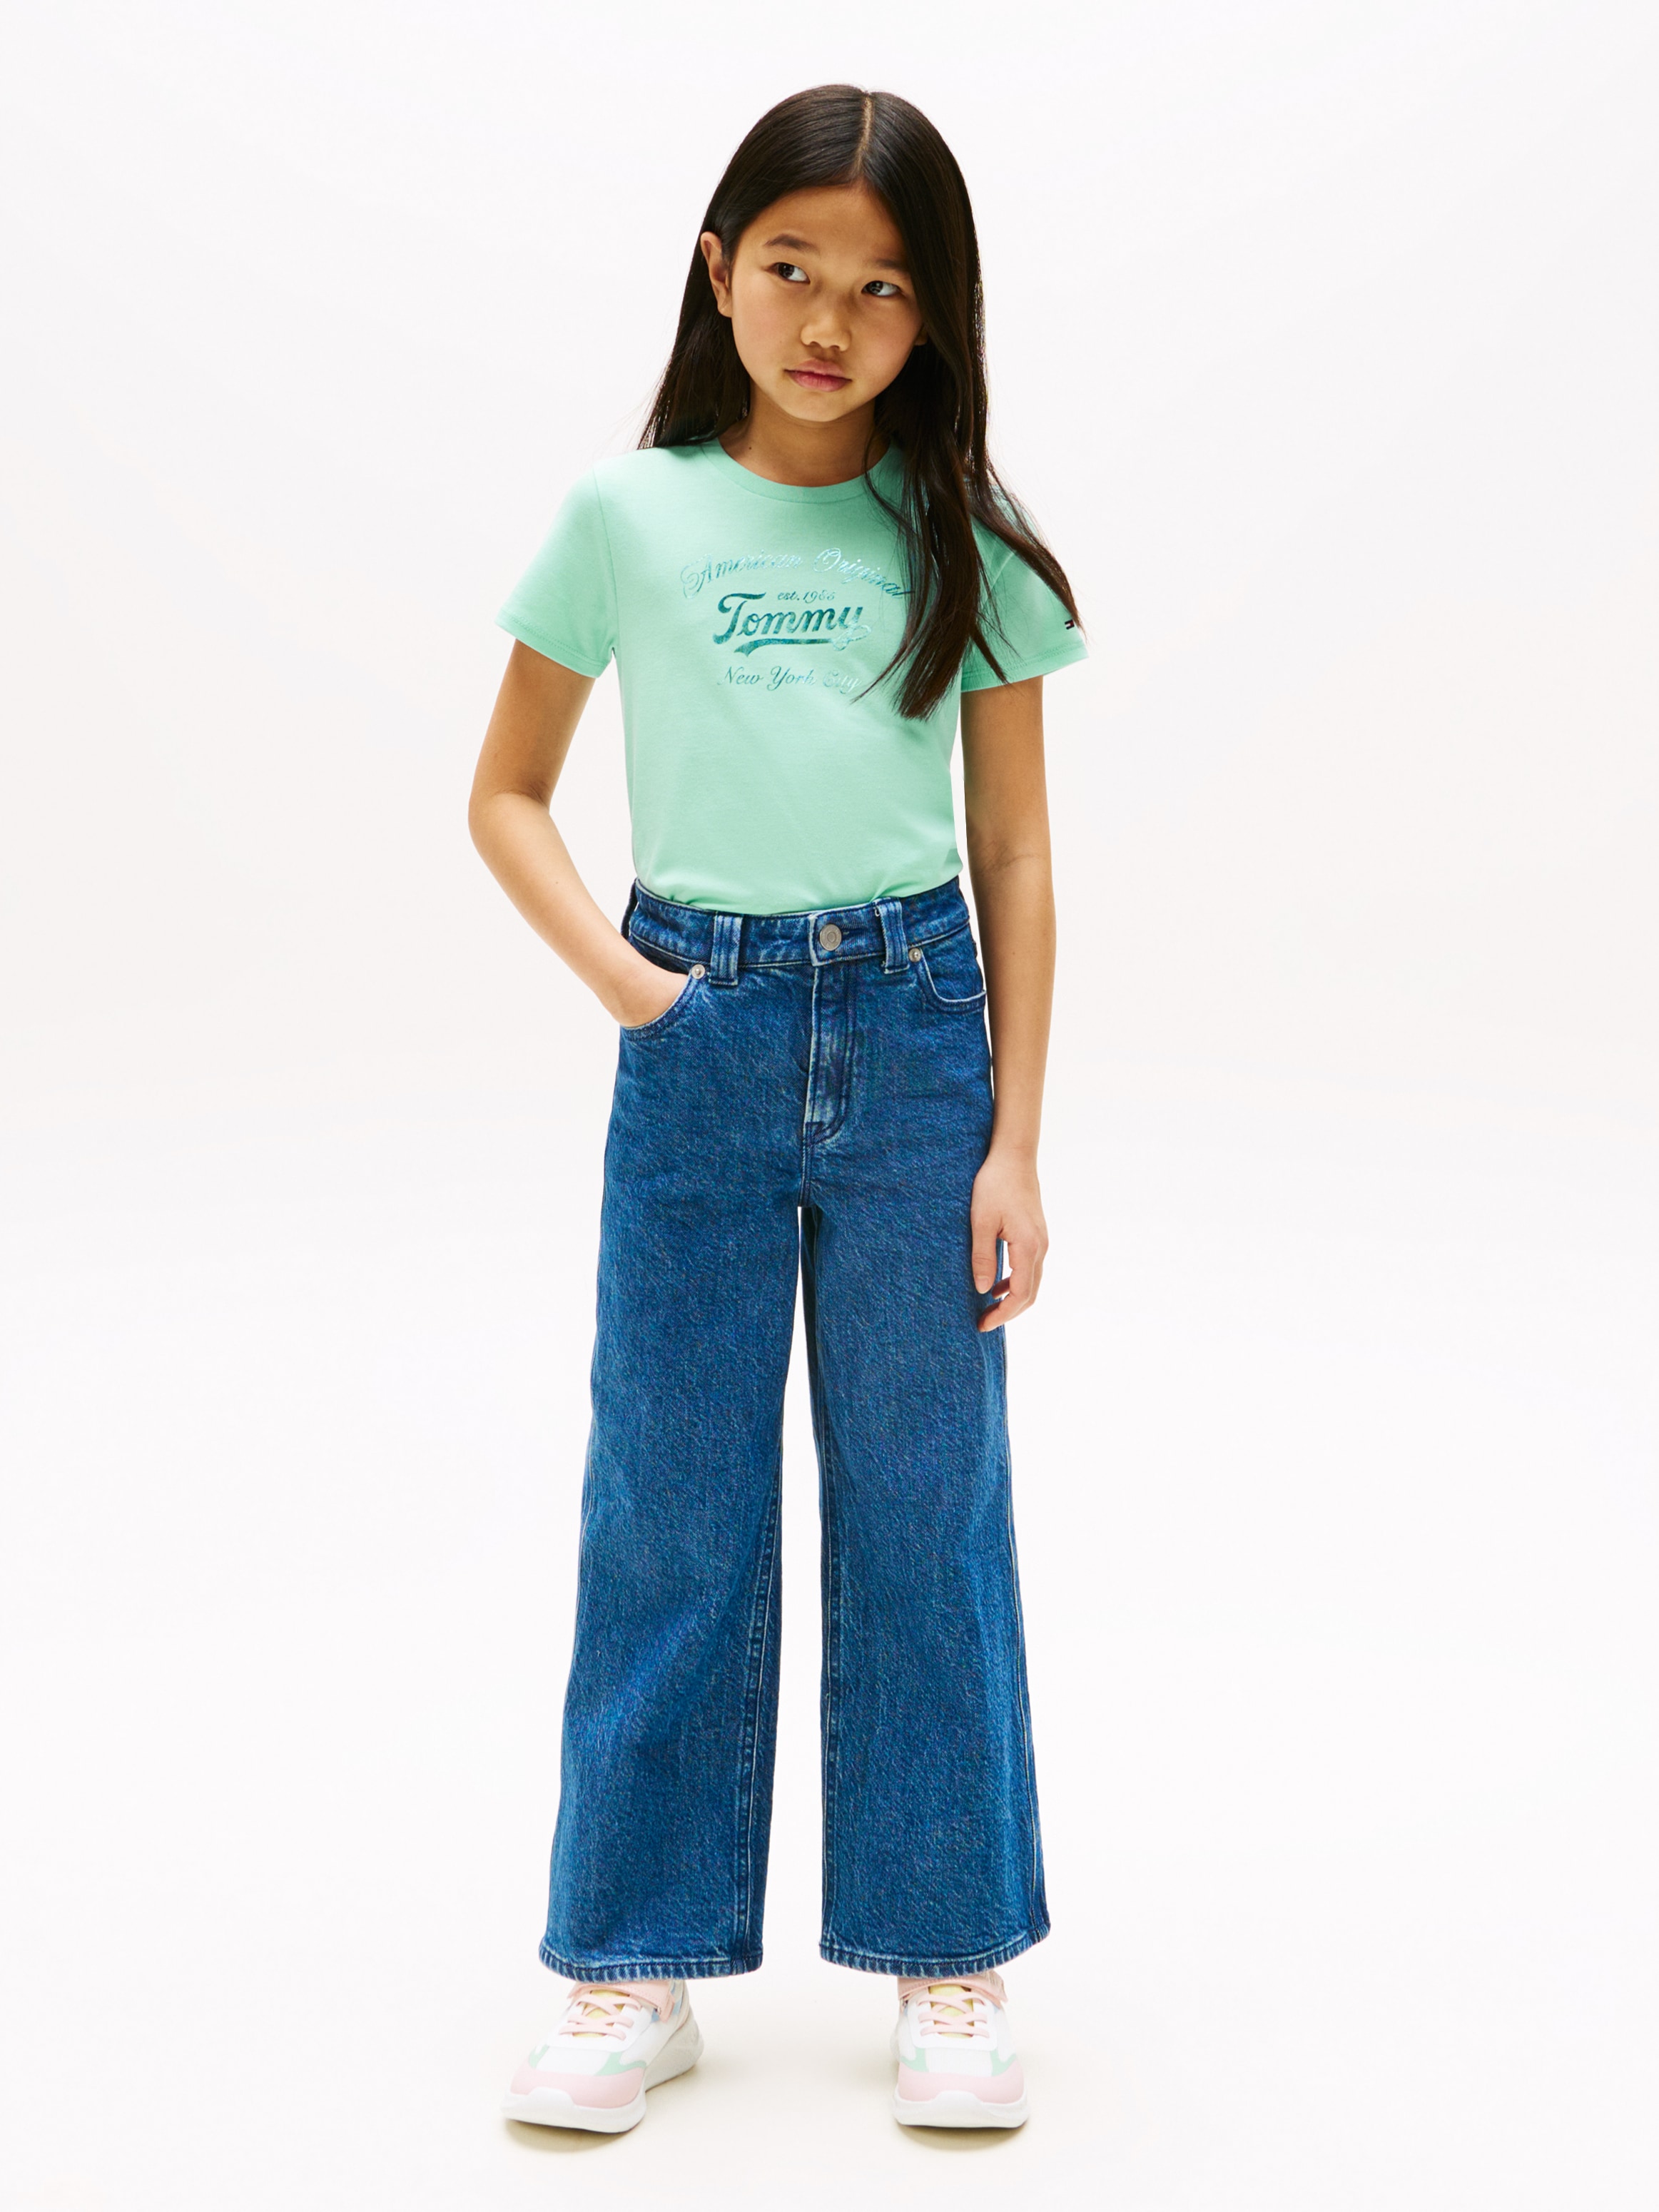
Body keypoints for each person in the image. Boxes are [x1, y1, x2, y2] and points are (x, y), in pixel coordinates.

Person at [469, 82, 1085, 2135]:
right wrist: (638, 987)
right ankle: (629, 1965)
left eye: (885, 287)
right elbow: (506, 792)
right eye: (796, 267)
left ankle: (948, 1948)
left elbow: (1016, 854)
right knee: (671, 1501)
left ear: (939, 313)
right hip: (700, 1042)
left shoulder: (961, 534)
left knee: (926, 1503)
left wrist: (1012, 1139)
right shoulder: (627, 517)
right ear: (719, 268)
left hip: (917, 1040)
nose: (831, 320)